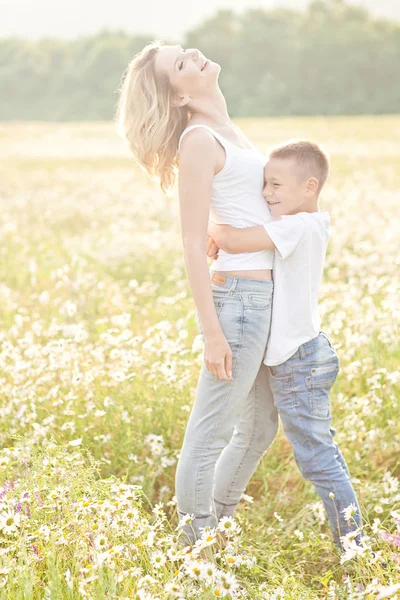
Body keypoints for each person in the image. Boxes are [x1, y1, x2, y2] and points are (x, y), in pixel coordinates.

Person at [114, 41, 279, 546]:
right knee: (207, 438)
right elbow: (188, 241)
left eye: (185, 51)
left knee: (260, 428)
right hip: (239, 307)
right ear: (179, 96)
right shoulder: (200, 139)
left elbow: (231, 207)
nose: (193, 54)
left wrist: (224, 230)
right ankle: (195, 551)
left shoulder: (225, 132)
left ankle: (218, 528)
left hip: (261, 301)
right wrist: (212, 332)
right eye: (180, 64)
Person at [207, 140, 363, 549]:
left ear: (309, 186)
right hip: (302, 356)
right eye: (264, 184)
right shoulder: (308, 224)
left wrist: (207, 230)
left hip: (300, 362)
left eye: (276, 185)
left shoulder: (296, 226)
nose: (266, 193)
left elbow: (235, 239)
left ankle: (355, 548)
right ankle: (219, 524)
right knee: (316, 450)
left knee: (317, 458)